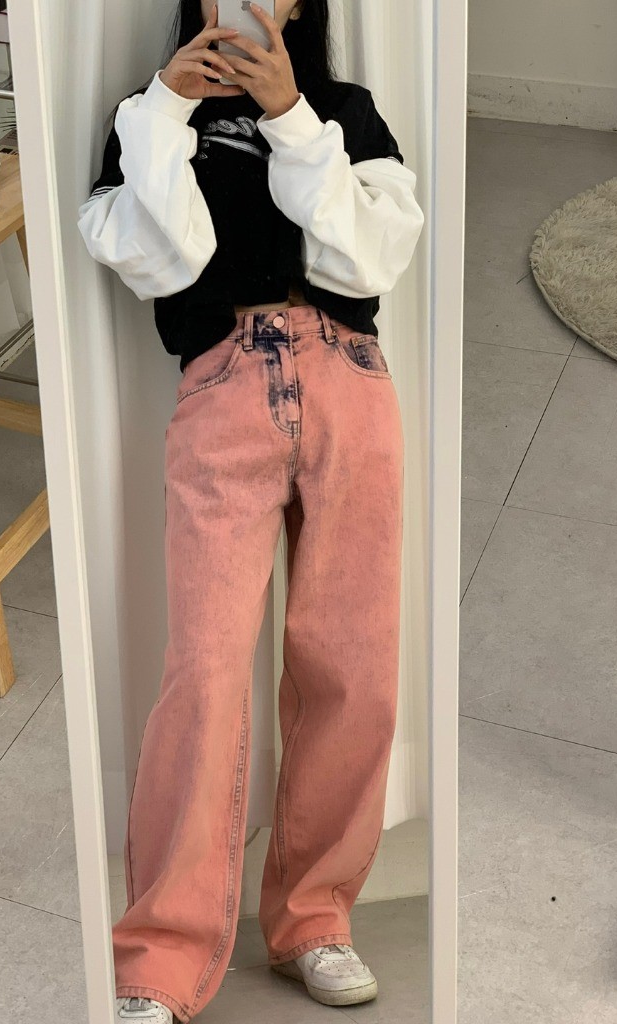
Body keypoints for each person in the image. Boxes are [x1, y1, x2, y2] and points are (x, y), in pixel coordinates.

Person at [77, 2, 424, 1021]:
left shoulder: (345, 111)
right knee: (205, 672)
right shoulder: (148, 117)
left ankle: (314, 919)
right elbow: (161, 261)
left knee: (352, 666)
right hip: (223, 382)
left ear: (299, 6)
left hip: (351, 382)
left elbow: (367, 261)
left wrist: (291, 119)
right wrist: (163, 114)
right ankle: (162, 955)